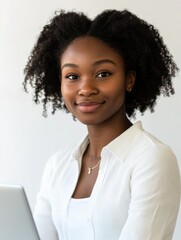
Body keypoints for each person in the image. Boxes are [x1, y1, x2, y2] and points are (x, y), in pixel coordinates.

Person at [23, 9, 180, 240]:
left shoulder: (152, 158)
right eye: (72, 76)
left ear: (129, 79)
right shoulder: (57, 166)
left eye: (103, 73)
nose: (85, 89)